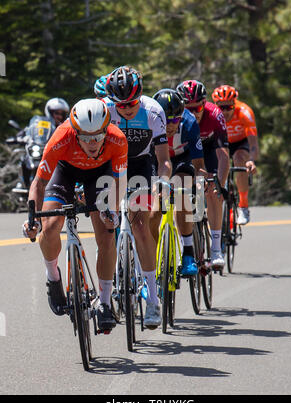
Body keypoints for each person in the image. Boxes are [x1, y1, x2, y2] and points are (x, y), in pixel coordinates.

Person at [22, 98, 128, 332]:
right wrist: (34, 220)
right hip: (65, 173)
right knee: (50, 227)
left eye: (98, 137)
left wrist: (114, 211)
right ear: (75, 132)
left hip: (100, 176)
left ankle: (105, 302)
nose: (92, 143)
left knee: (107, 233)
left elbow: (119, 180)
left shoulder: (117, 139)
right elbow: (39, 183)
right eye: (86, 137)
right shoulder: (61, 136)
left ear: (106, 130)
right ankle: (53, 277)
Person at [99, 65, 172, 329]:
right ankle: (108, 286)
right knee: (106, 224)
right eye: (121, 105)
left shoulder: (153, 111)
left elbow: (164, 159)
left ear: (140, 96)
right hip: (110, 166)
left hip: (141, 166)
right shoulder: (104, 110)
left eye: (131, 103)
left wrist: (162, 182)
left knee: (141, 225)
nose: (126, 109)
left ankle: (152, 300)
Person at [151, 88, 207, 276]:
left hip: (182, 161)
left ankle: (189, 253)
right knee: (152, 212)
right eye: (166, 120)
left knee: (182, 192)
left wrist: (199, 183)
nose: (170, 125)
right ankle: (154, 255)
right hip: (156, 162)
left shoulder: (190, 123)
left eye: (175, 120)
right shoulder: (148, 123)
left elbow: (199, 165)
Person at [176, 80, 230, 270]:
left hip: (209, 150)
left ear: (204, 103)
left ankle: (216, 249)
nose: (193, 113)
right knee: (181, 194)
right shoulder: (175, 117)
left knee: (212, 192)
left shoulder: (215, 114)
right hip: (187, 152)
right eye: (187, 109)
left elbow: (224, 156)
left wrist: (220, 185)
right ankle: (186, 247)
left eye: (197, 108)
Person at [212, 85, 258, 225]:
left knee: (239, 160)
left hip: (240, 143)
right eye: (222, 108)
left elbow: (253, 143)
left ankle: (243, 206)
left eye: (229, 107)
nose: (225, 112)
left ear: (235, 104)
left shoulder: (245, 112)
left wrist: (251, 160)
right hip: (222, 143)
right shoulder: (212, 114)